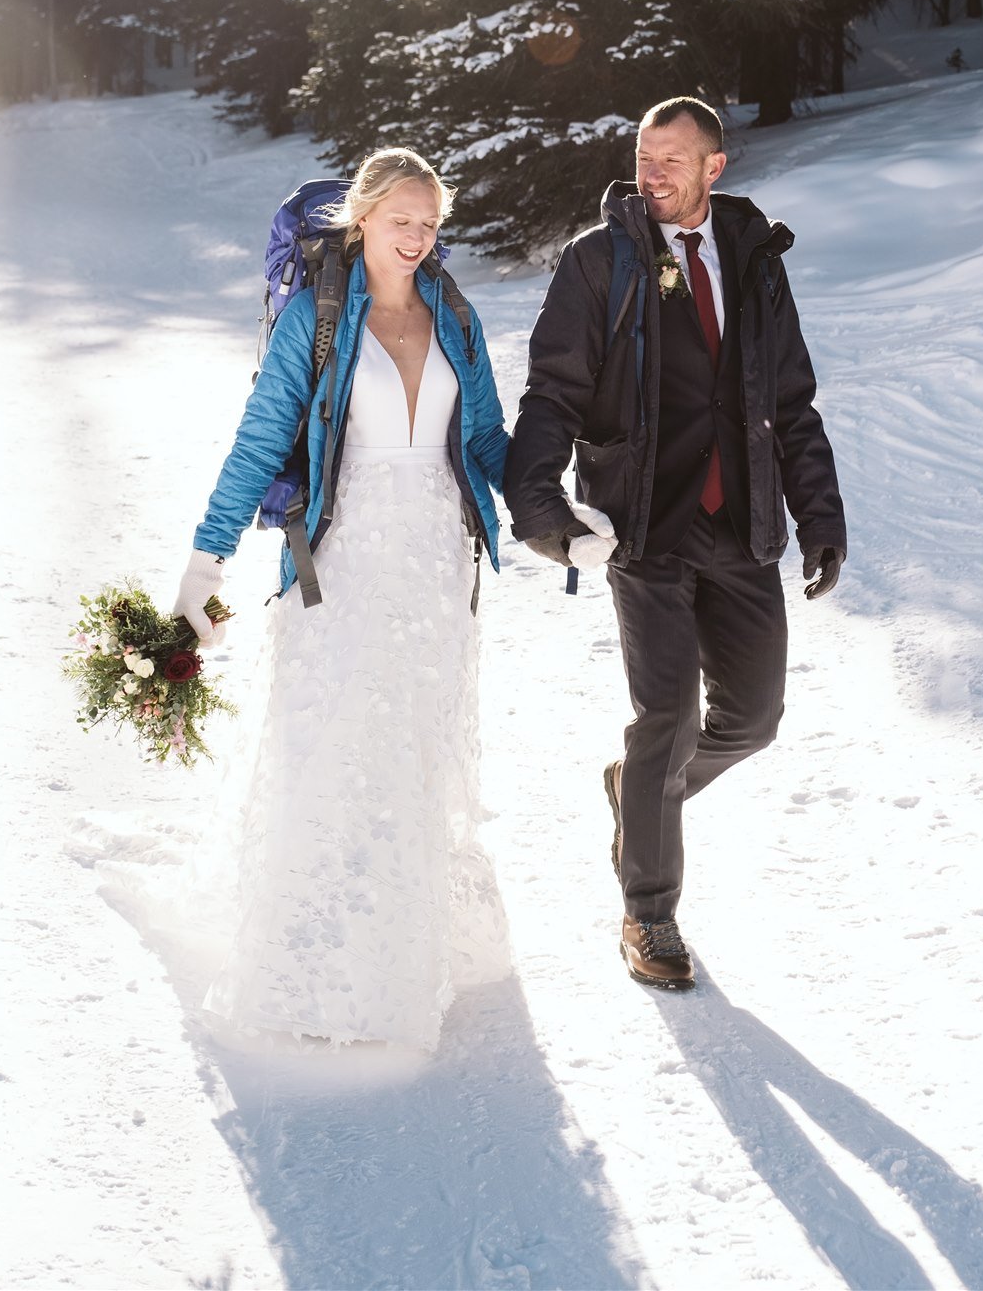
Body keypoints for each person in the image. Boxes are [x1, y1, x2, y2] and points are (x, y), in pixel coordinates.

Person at [172, 147, 511, 1051]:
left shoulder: (453, 312)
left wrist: (558, 520)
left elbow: (486, 437)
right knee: (329, 740)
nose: (418, 238)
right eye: (402, 219)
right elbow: (259, 440)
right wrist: (204, 565)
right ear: (361, 216)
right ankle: (310, 958)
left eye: (431, 224)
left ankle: (407, 946)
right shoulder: (317, 320)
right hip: (343, 555)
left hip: (436, 559)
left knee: (412, 745)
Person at [504, 97, 845, 991]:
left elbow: (793, 403)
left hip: (740, 525)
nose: (651, 174)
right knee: (668, 721)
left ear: (713, 169)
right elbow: (552, 392)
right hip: (641, 528)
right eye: (643, 157)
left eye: (670, 160)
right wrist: (538, 501)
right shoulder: (598, 258)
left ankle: (639, 792)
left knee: (753, 719)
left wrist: (821, 517)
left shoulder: (755, 258)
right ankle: (647, 917)